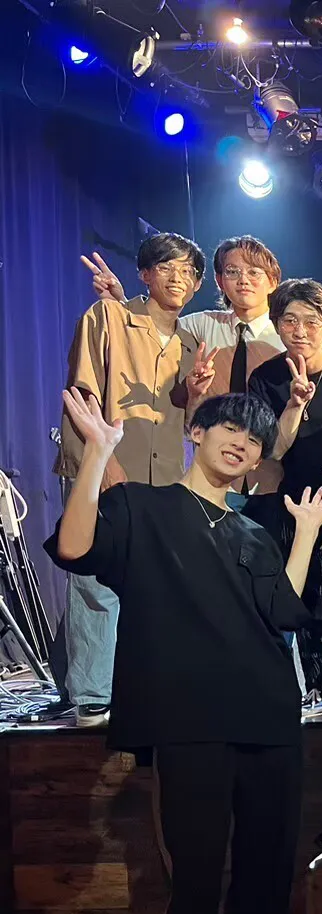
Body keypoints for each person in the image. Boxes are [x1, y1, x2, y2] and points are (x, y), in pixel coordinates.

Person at [46, 389, 322, 914]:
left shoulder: (252, 531)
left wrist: (302, 534)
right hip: (189, 726)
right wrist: (98, 453)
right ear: (197, 431)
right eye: (230, 428)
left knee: (265, 882)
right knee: (197, 888)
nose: (242, 444)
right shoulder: (143, 509)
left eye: (254, 439)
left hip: (269, 721)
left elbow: (283, 611)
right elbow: (75, 547)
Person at [55, 232, 209, 727]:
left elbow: (188, 423)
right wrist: (103, 463)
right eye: (167, 267)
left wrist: (194, 393)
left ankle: (138, 685)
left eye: (188, 271)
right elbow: (83, 392)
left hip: (163, 477)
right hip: (104, 466)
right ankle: (92, 696)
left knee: (151, 585)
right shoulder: (107, 317)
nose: (178, 278)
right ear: (145, 274)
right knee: (96, 579)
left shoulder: (191, 342)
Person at [248, 279, 322, 698]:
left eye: (311, 321)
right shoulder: (266, 378)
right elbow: (273, 451)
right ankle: (315, 688)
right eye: (289, 321)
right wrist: (295, 404)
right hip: (293, 503)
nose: (300, 331)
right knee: (300, 595)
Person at [85, 235, 287, 405]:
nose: (243, 280)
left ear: (272, 282)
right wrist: (121, 302)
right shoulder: (204, 324)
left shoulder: (288, 334)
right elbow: (156, 327)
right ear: (219, 281)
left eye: (253, 272)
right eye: (232, 272)